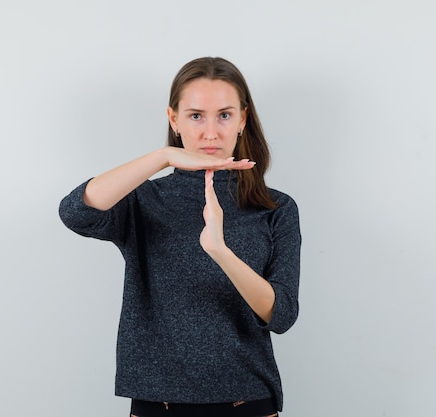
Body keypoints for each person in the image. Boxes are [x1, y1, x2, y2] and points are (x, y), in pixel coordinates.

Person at [59, 57, 301, 417]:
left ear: (242, 119)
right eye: (195, 115)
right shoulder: (144, 199)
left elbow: (281, 314)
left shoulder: (275, 207)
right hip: (158, 403)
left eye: (224, 115)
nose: (210, 132)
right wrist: (162, 157)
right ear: (173, 119)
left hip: (246, 400)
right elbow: (75, 212)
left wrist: (221, 252)